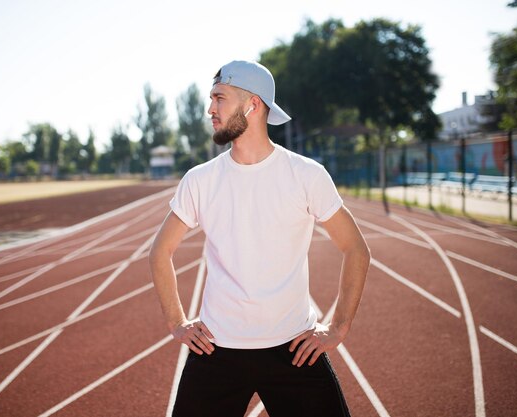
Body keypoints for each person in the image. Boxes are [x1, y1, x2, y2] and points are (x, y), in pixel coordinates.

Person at [149, 60, 371, 417]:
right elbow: (161, 251)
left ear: (252, 104)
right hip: (216, 349)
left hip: (293, 348)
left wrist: (337, 328)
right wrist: (177, 322)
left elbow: (356, 249)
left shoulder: (305, 175)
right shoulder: (200, 179)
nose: (210, 109)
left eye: (219, 98)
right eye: (211, 99)